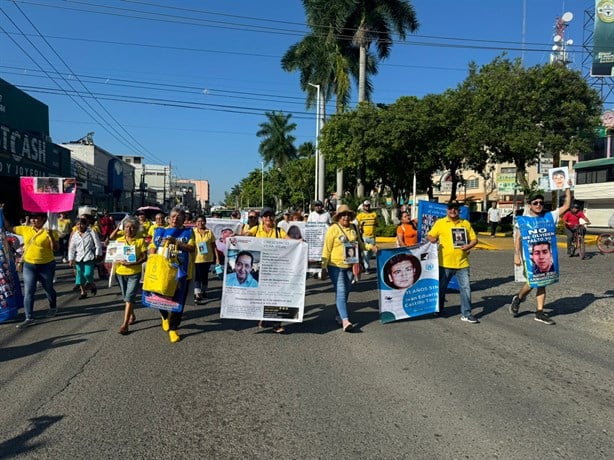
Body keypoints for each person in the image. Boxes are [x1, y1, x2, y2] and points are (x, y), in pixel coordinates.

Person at [509, 187, 572, 325]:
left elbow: (566, 205)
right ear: (529, 205)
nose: (538, 205)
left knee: (542, 283)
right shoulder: (523, 220)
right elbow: (518, 239)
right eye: (535, 203)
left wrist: (567, 188)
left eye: (541, 203)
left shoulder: (549, 216)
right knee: (532, 283)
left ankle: (539, 312)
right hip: (529, 258)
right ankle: (518, 298)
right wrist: (516, 256)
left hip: (547, 257)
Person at [1, 208, 59, 328]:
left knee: (48, 288)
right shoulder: (25, 229)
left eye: (36, 218)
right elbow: (8, 227)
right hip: (29, 265)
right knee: (28, 291)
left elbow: (55, 249)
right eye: (31, 218)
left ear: (43, 219)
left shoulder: (50, 231)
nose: (33, 220)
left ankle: (53, 307)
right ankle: (29, 317)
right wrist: (1, 211)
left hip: (46, 265)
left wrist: (50, 237)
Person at [322, 204, 374, 332]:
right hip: (335, 266)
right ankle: (345, 320)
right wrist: (323, 267)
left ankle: (339, 315)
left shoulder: (354, 228)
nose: (346, 217)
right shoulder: (333, 229)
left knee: (346, 292)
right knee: (341, 290)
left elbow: (360, 244)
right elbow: (326, 249)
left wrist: (371, 247)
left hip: (351, 265)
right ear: (338, 217)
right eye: (343, 215)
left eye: (347, 215)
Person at [426, 201, 479, 323]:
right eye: (450, 208)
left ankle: (466, 313)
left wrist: (469, 246)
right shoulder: (440, 223)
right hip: (444, 263)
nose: (453, 211)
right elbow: (430, 235)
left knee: (466, 288)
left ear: (459, 210)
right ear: (447, 210)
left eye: (455, 209)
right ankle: (438, 309)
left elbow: (474, 239)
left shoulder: (465, 223)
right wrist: (432, 239)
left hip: (462, 263)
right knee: (441, 288)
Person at [149, 207, 195, 343]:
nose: (175, 219)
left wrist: (178, 243)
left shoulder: (188, 232)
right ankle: (164, 315)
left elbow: (192, 248)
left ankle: (174, 328)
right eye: (173, 216)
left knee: (178, 300)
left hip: (182, 272)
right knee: (158, 297)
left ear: (183, 219)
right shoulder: (159, 231)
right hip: (161, 271)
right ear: (168, 218)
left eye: (179, 217)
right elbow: (152, 246)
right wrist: (152, 255)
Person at [249, 207, 286, 333]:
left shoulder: (279, 231)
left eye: (270, 216)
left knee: (275, 294)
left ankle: (276, 323)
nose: (268, 218)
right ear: (262, 218)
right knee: (263, 294)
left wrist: (299, 242)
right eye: (265, 216)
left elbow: (289, 241)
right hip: (259, 268)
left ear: (274, 217)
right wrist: (235, 237)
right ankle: (263, 316)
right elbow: (245, 236)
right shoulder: (256, 229)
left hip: (275, 268)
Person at [115, 216, 148, 335]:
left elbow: (145, 257)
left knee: (129, 297)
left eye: (133, 228)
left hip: (134, 273)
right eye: (127, 227)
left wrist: (132, 263)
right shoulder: (119, 241)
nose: (129, 229)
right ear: (124, 228)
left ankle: (124, 325)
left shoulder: (140, 241)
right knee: (126, 298)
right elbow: (114, 255)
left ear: (136, 229)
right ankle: (132, 315)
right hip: (120, 272)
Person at [67, 217, 103, 300]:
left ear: (86, 224)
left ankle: (91, 283)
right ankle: (83, 292)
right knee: (80, 275)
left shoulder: (91, 232)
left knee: (88, 274)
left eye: (82, 224)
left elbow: (97, 243)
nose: (80, 226)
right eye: (78, 224)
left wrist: (98, 254)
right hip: (78, 258)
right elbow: (71, 248)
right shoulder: (75, 235)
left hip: (89, 256)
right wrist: (71, 259)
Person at [193, 214, 218, 303]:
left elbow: (214, 246)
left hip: (207, 258)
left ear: (205, 222)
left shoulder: (209, 232)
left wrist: (217, 258)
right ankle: (197, 293)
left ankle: (203, 291)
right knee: (197, 276)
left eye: (202, 221)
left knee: (204, 276)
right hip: (196, 258)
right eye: (198, 221)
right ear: (196, 223)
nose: (200, 223)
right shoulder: (193, 232)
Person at [356, 200, 378, 274]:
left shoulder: (374, 214)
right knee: (365, 253)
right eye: (366, 205)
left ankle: (364, 262)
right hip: (364, 236)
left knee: (371, 252)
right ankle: (366, 268)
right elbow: (356, 224)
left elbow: (376, 224)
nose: (367, 207)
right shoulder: (360, 215)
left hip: (372, 237)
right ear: (363, 206)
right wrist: (359, 229)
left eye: (368, 205)